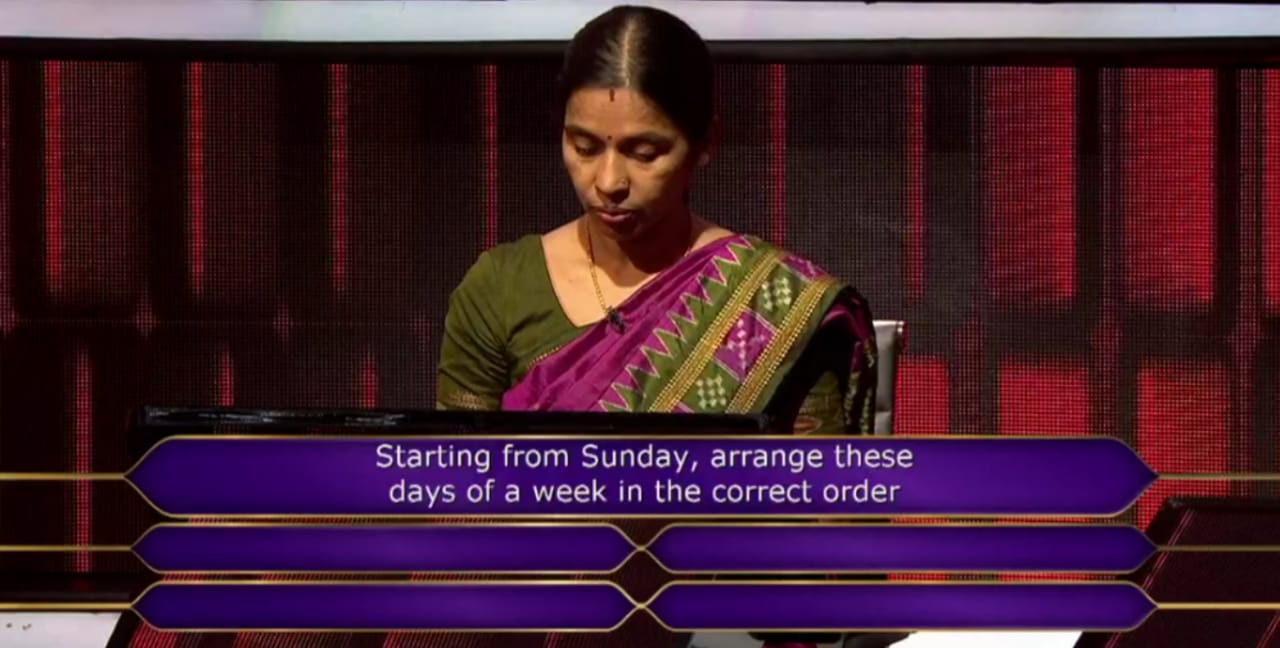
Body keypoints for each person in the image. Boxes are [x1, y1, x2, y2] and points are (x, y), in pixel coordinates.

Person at [435, 5, 879, 648]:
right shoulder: (499, 289)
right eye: (584, 146)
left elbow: (826, 550)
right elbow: (452, 506)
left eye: (645, 153)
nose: (608, 181)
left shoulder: (774, 304)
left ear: (705, 143)